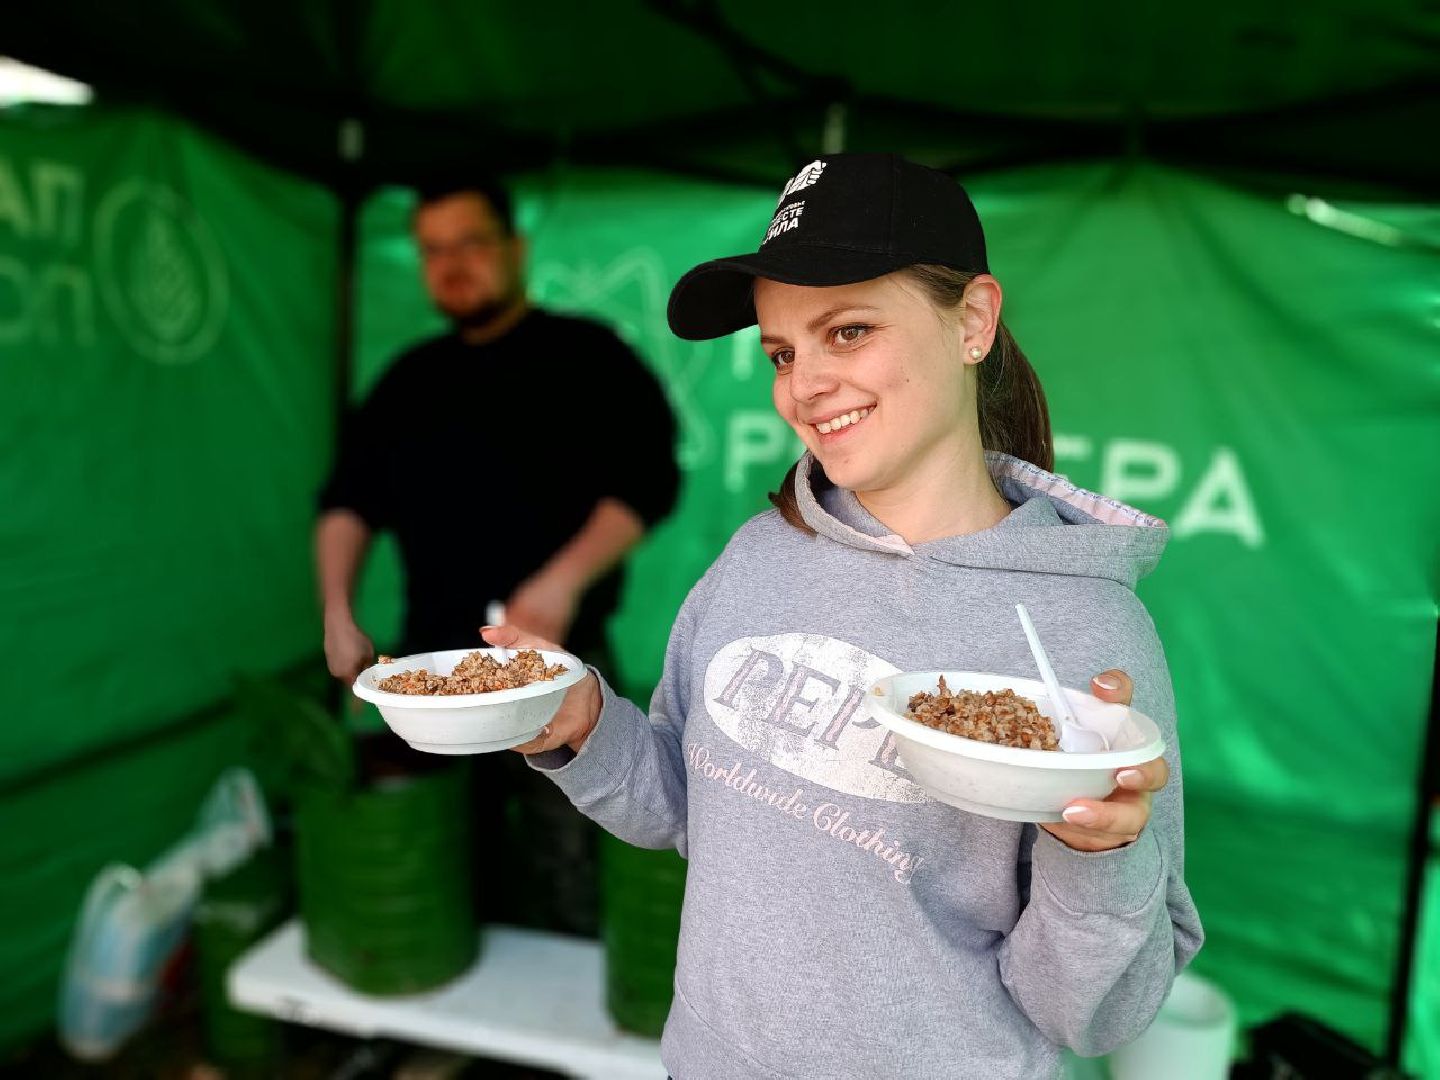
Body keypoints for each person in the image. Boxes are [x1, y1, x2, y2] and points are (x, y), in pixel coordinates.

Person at [483, 153, 1203, 1078]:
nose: (804, 386)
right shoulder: (755, 559)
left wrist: (1098, 853)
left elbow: (1089, 1017)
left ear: (973, 320)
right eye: (783, 353)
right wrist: (584, 726)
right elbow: (685, 809)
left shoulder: (1085, 630)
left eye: (849, 331)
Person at [316, 177, 680, 934]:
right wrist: (337, 610)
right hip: (430, 677)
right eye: (433, 250)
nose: (453, 264)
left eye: (471, 243)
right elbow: (347, 502)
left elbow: (647, 482)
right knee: (446, 863)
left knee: (567, 860)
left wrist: (563, 580)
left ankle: (561, 1032)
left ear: (515, 249)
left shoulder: (586, 356)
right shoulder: (410, 379)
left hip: (558, 661)